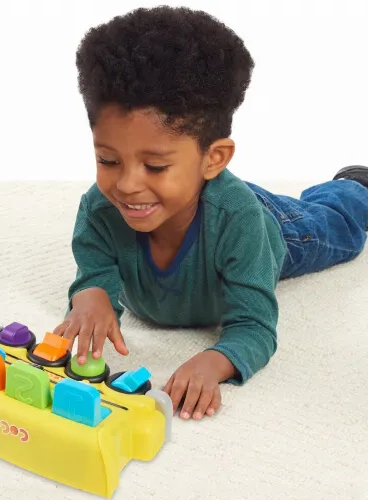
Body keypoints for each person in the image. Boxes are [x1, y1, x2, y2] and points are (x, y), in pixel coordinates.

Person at [52, 6, 368, 420]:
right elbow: (94, 274)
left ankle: (353, 186)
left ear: (213, 159)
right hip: (201, 197)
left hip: (268, 225)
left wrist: (215, 362)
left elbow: (254, 326)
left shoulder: (241, 223)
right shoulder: (100, 209)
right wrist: (90, 297)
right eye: (108, 160)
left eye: (155, 166)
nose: (126, 185)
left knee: (332, 227)